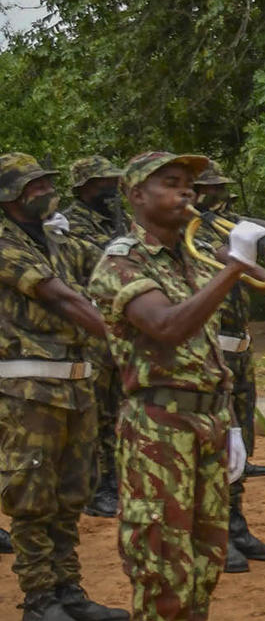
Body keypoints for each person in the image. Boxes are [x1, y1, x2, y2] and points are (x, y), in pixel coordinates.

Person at [87, 150, 265, 621]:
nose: (186, 194)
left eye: (189, 185)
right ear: (136, 195)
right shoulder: (119, 263)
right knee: (162, 561)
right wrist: (234, 266)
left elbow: (209, 349)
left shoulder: (193, 258)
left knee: (205, 558)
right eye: (171, 185)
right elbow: (168, 327)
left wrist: (232, 424)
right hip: (157, 428)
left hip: (204, 425)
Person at [0, 152, 130, 621]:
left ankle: (68, 589)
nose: (44, 191)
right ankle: (38, 598)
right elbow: (63, 298)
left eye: (45, 183)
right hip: (28, 389)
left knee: (71, 492)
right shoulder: (5, 245)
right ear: (10, 196)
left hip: (75, 384)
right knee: (32, 496)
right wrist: (127, 340)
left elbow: (105, 272)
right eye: (33, 185)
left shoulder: (58, 241)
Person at [192, 162, 265, 573]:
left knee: (240, 441)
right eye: (209, 190)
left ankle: (235, 523)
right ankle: (213, 532)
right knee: (215, 446)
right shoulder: (191, 235)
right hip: (212, 348)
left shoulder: (222, 227)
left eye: (220, 189)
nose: (217, 197)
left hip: (239, 349)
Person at [60, 155, 129, 518]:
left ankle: (118, 480)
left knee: (120, 408)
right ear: (85, 187)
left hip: (125, 326)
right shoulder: (68, 225)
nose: (112, 188)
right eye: (104, 182)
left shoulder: (121, 221)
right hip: (92, 329)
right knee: (97, 412)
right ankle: (97, 487)